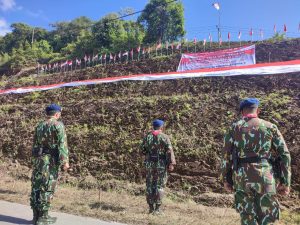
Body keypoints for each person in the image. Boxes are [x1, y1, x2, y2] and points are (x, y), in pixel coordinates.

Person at [220, 98, 291, 225]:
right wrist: (285, 181)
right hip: (265, 177)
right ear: (258, 110)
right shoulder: (270, 127)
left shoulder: (234, 128)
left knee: (247, 217)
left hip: (242, 179)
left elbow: (226, 156)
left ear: (242, 112)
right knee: (267, 217)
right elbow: (285, 155)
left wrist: (225, 179)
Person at [30, 104, 69, 225]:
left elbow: (35, 144)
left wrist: (34, 160)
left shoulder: (39, 125)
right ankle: (43, 218)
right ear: (57, 114)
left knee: (36, 186)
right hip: (50, 161)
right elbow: (62, 145)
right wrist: (65, 162)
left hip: (38, 161)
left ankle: (36, 216)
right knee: (47, 186)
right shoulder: (58, 125)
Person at [140, 119, 176, 214]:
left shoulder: (147, 137)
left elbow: (142, 150)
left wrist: (148, 155)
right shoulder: (164, 137)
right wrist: (171, 163)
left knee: (150, 185)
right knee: (159, 185)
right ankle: (158, 209)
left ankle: (151, 208)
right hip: (161, 164)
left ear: (153, 126)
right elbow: (169, 150)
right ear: (161, 127)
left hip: (150, 163)